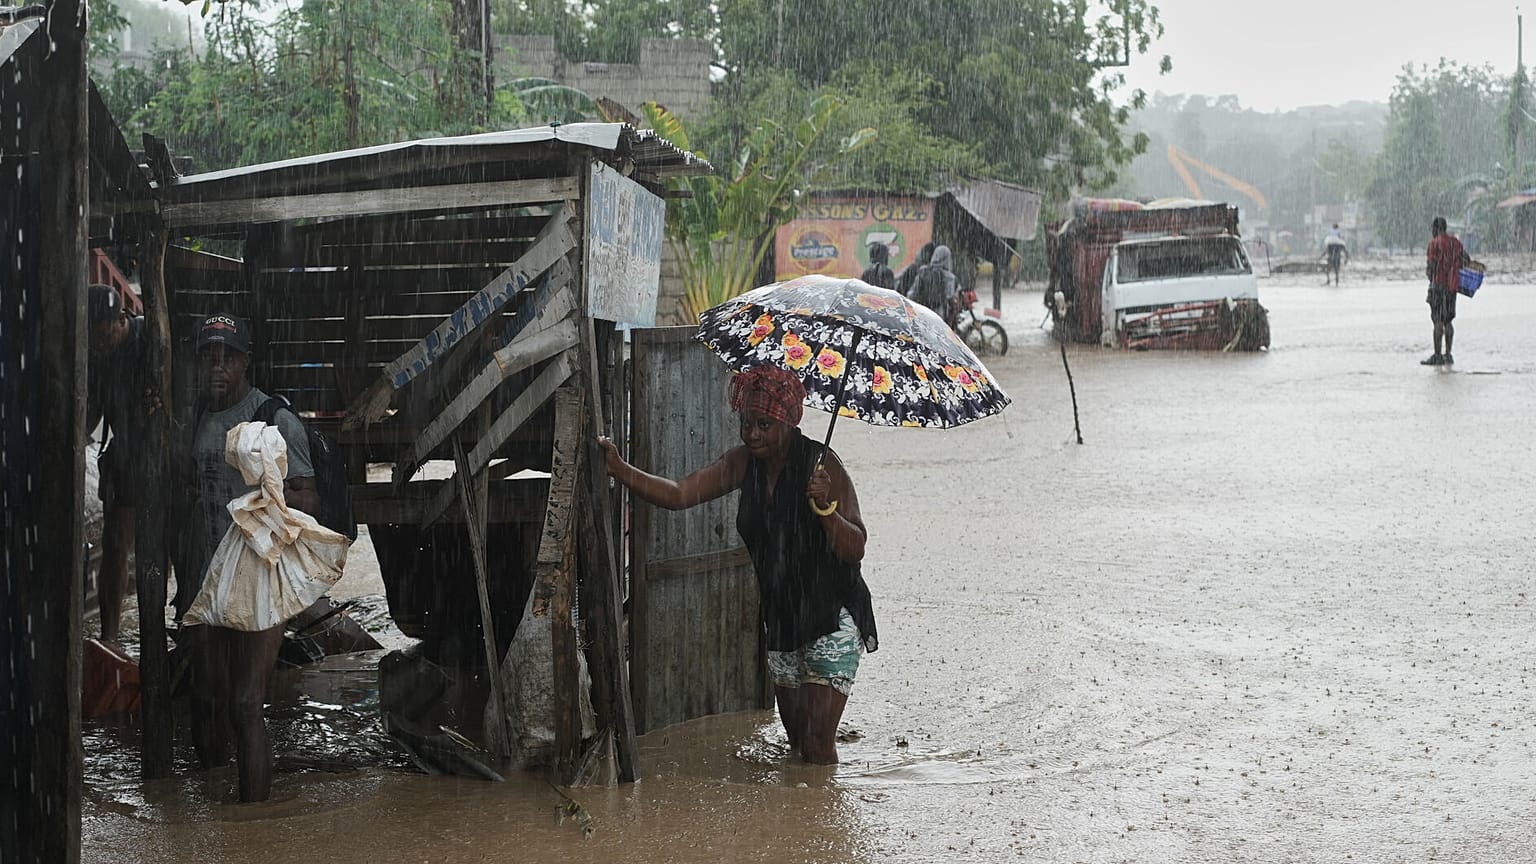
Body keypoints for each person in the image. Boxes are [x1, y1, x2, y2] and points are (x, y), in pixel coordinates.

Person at [597, 366, 877, 764]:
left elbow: (857, 548)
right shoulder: (744, 463)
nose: (753, 434)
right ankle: (798, 819)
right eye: (746, 423)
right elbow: (679, 494)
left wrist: (826, 510)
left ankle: (822, 820)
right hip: (783, 617)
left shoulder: (822, 464)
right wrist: (619, 469)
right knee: (796, 744)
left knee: (817, 746)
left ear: (789, 420)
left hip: (832, 615)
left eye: (764, 424)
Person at [182, 313, 320, 802]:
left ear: (246, 362)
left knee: (244, 704)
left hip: (259, 576)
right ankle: (211, 806)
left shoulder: (274, 420)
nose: (218, 367)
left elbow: (307, 500)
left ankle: (252, 827)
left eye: (228, 357)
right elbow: (186, 491)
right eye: (209, 357)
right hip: (204, 578)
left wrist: (262, 502)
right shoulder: (195, 415)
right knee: (205, 698)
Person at [85, 284, 150, 644]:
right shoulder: (97, 356)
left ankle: (175, 627)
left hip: (163, 448)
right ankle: (110, 638)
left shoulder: (150, 338)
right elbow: (90, 413)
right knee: (115, 545)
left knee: (166, 543)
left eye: (104, 335)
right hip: (125, 451)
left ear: (121, 320)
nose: (100, 344)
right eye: (94, 339)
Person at [1422, 216, 1465, 366]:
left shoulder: (1434, 243)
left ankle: (1437, 355)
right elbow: (1465, 260)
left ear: (1436, 229)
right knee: (1448, 321)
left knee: (1437, 321)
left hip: (1438, 286)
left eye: (1433, 229)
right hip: (1452, 287)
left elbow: (1431, 265)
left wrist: (1430, 275)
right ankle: (1448, 354)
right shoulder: (1456, 243)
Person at [912, 244, 960, 328]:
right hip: (939, 313)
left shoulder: (923, 271)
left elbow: (913, 292)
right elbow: (950, 297)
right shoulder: (950, 277)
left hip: (922, 311)